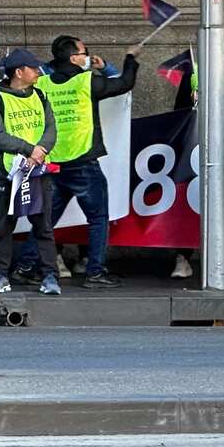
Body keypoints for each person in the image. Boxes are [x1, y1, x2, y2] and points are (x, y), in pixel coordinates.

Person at [16, 35, 140, 289]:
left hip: (53, 162)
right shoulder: (86, 80)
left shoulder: (43, 84)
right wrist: (130, 58)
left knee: (46, 220)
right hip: (83, 161)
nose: (87, 56)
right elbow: (124, 83)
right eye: (84, 52)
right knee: (98, 218)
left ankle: (24, 266)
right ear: (74, 58)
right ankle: (95, 272)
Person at [171, 45, 224, 280]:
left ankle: (221, 255)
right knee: (190, 203)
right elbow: (179, 112)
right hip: (196, 146)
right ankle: (183, 257)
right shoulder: (193, 73)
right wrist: (192, 104)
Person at [0, 48, 61, 295]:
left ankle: (50, 276)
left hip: (38, 171)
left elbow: (51, 128)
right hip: (11, 173)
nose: (39, 72)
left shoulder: (39, 95)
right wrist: (31, 150)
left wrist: (39, 152)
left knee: (43, 226)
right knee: (4, 226)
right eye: (33, 68)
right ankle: (0, 276)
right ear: (19, 72)